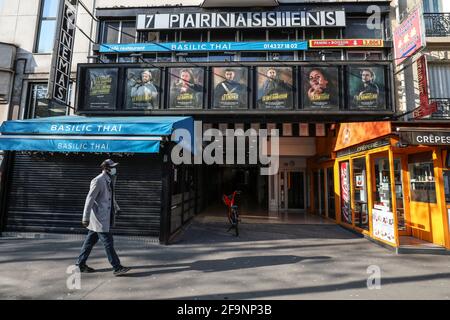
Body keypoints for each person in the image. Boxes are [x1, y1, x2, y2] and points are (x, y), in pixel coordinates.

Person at [76, 159, 130, 276]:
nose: (115, 169)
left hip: (105, 216)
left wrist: (116, 207)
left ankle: (80, 264)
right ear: (106, 168)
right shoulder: (98, 180)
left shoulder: (109, 180)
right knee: (108, 242)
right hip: (99, 218)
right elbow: (89, 199)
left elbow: (110, 197)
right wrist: (85, 217)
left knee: (89, 242)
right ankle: (117, 267)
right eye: (113, 167)